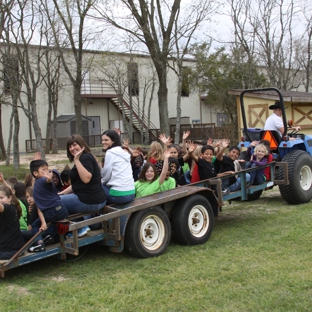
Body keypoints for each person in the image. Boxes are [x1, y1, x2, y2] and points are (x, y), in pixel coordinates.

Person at [59, 134, 107, 237]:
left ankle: (80, 227)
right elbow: (77, 184)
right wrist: (61, 193)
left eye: (75, 145)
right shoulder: (82, 159)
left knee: (55, 203)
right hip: (92, 199)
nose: (72, 148)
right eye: (70, 146)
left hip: (91, 200)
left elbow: (86, 179)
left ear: (81, 145)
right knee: (57, 198)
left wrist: (76, 160)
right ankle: (79, 225)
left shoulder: (84, 158)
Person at [26, 158, 68, 252]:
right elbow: (47, 181)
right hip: (61, 210)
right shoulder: (43, 181)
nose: (47, 171)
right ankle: (50, 235)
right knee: (56, 219)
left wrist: (43, 222)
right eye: (43, 170)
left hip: (49, 212)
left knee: (35, 225)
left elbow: (39, 208)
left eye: (47, 168)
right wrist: (49, 179)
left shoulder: (39, 184)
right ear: (36, 173)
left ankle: (39, 243)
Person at [101, 129, 135, 204]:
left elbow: (107, 174)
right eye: (102, 140)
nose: (103, 142)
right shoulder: (123, 152)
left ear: (113, 141)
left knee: (96, 187)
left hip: (119, 196)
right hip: (131, 193)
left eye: (106, 140)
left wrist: (102, 182)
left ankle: (94, 214)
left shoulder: (110, 153)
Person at [0, 185, 25, 260]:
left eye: (1, 198)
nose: (0, 200)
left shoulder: (8, 208)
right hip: (14, 247)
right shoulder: (13, 207)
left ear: (10, 198)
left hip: (10, 250)